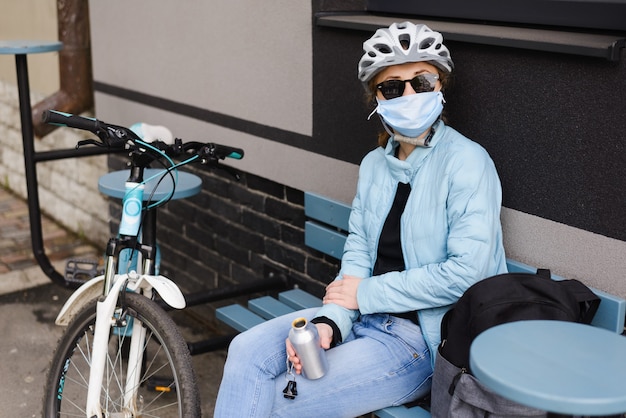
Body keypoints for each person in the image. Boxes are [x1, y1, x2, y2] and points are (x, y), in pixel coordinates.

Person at [214, 21, 506, 417]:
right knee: (245, 352)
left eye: (420, 82)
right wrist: (329, 323)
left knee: (286, 399)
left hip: (420, 340)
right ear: (377, 99)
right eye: (391, 87)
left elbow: (466, 274)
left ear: (440, 87)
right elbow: (358, 256)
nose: (407, 94)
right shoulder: (374, 166)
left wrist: (365, 295)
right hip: (361, 319)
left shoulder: (468, 162)